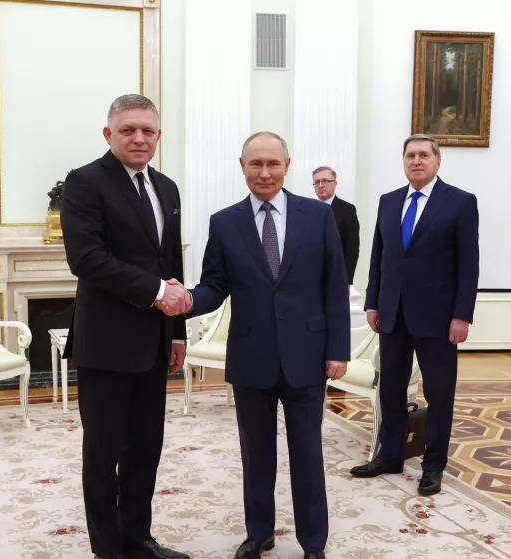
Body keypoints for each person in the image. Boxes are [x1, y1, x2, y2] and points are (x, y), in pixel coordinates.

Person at [160, 131, 350, 559]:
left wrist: (338, 349)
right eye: (255, 164)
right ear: (242, 166)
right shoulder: (224, 222)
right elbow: (215, 285)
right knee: (256, 455)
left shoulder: (317, 217)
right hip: (251, 357)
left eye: (273, 164)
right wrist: (189, 299)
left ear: (287, 165)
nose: (264, 172)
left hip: (307, 356)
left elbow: (334, 286)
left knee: (307, 455)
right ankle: (259, 532)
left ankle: (313, 543)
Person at [60, 94, 191, 559]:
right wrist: (158, 291)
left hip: (154, 344)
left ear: (158, 135)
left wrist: (177, 333)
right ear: (108, 134)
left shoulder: (167, 187)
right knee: (103, 453)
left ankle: (138, 539)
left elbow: (171, 262)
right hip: (105, 344)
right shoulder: (84, 183)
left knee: (145, 450)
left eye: (148, 131)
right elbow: (87, 259)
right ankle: (108, 548)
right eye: (128, 130)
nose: (139, 138)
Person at [349, 134, 479, 497]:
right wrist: (372, 302)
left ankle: (433, 466)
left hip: (438, 319)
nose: (416, 161)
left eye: (424, 155)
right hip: (392, 314)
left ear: (437, 162)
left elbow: (469, 266)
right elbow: (380, 257)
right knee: (390, 389)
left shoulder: (460, 203)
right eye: (410, 155)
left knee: (439, 393)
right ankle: (389, 455)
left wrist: (461, 315)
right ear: (403, 161)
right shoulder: (389, 202)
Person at [312, 166, 360, 287]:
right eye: (317, 182)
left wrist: (347, 280)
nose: (321, 185)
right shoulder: (309, 210)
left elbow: (352, 248)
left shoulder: (347, 210)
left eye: (325, 181)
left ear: (335, 183)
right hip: (312, 277)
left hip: (337, 277)